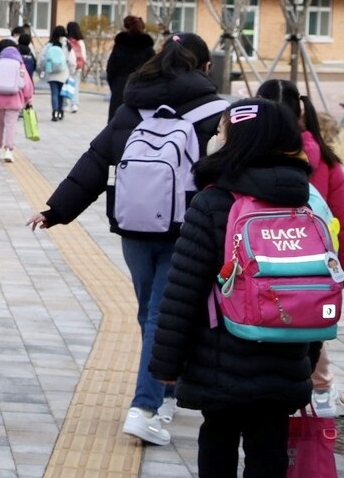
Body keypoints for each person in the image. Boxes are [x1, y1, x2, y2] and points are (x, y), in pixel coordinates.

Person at [28, 34, 225, 446]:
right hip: (186, 229)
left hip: (134, 226)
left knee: (149, 313)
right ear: (203, 68)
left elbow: (96, 161)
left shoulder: (131, 108)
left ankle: (166, 392)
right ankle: (146, 407)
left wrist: (56, 210)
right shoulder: (213, 112)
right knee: (160, 316)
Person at [150, 100, 321, 478]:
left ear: (238, 139)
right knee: (268, 449)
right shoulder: (303, 198)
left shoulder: (213, 201)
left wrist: (165, 364)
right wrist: (310, 358)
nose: (216, 137)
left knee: (219, 440)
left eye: (222, 130)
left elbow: (183, 290)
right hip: (287, 348)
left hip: (221, 348)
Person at [256, 78, 344, 417]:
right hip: (312, 274)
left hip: (260, 279)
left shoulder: (249, 159)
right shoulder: (325, 160)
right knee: (309, 338)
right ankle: (320, 395)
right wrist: (340, 277)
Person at [0, 45, 34, 163]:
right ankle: (9, 150)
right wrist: (28, 99)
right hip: (14, 100)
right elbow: (27, 84)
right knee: (11, 125)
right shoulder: (20, 65)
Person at [106, 14, 155, 122]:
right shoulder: (148, 48)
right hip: (141, 88)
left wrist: (114, 86)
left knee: (116, 122)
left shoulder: (119, 46)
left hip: (120, 87)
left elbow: (110, 69)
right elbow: (154, 70)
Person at [38, 24, 76, 122]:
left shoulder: (49, 44)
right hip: (64, 73)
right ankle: (60, 111)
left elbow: (42, 59)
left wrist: (44, 68)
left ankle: (54, 112)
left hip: (51, 73)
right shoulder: (67, 45)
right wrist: (71, 71)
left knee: (54, 93)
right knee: (61, 94)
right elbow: (72, 61)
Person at [64, 21, 87, 113]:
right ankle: (74, 105)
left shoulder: (66, 41)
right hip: (78, 66)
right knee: (76, 85)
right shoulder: (80, 41)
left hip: (68, 66)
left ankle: (66, 104)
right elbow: (84, 55)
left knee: (67, 85)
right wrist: (82, 65)